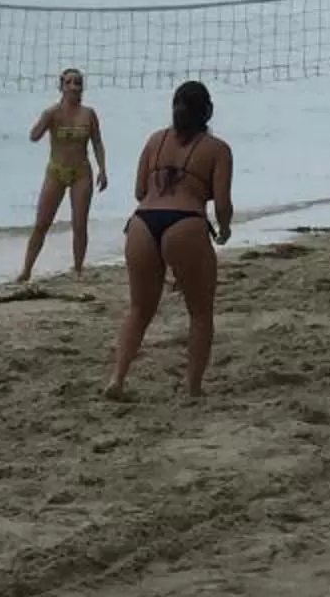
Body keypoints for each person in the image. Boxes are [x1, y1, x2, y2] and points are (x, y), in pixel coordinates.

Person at [103, 80, 235, 401]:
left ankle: (117, 379)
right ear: (208, 112)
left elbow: (139, 191)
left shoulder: (155, 140)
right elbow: (221, 203)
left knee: (138, 309)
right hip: (185, 224)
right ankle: (192, 388)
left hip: (142, 224)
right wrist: (225, 228)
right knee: (200, 313)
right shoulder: (217, 149)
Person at [15, 68, 108, 281]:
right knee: (41, 223)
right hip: (56, 171)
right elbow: (33, 136)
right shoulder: (53, 113)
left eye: (77, 83)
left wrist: (103, 169)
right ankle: (26, 270)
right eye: (69, 83)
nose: (74, 86)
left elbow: (97, 142)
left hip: (81, 171)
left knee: (79, 224)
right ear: (61, 87)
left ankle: (77, 268)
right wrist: (45, 121)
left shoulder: (89, 114)